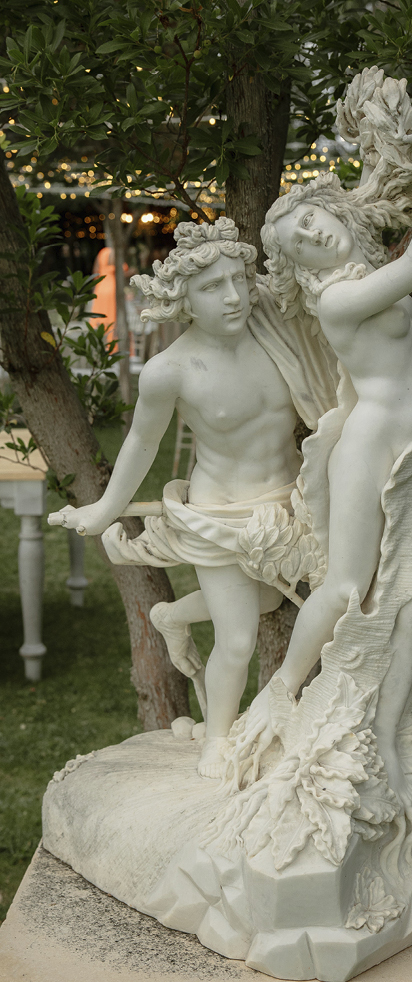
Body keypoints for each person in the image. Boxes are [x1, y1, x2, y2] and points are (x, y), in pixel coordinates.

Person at [49, 219, 315, 778]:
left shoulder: (280, 333)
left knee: (269, 603)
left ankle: (172, 615)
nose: (234, 296)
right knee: (238, 639)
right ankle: (216, 739)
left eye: (239, 279)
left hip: (291, 506)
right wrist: (102, 509)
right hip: (219, 515)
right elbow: (141, 444)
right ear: (184, 298)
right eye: (212, 287)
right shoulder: (170, 371)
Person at [249, 127, 412, 808]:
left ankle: (393, 738)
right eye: (300, 244)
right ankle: (282, 691)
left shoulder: (360, 277)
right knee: (346, 587)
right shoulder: (338, 299)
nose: (314, 238)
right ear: (301, 268)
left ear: (334, 213)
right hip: (373, 445)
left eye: (313, 221)